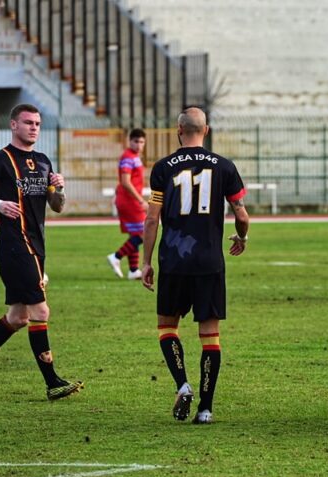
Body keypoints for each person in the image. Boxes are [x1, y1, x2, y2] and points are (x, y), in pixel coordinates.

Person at [0, 103, 83, 401]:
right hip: (14, 246)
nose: (34, 127)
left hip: (36, 246)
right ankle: (52, 383)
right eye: (28, 122)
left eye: (37, 123)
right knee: (41, 311)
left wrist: (59, 189)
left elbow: (58, 207)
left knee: (18, 316)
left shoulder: (43, 161)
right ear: (13, 125)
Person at [141, 107, 249, 424]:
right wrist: (242, 237)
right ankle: (205, 408)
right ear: (207, 129)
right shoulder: (225, 167)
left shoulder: (162, 168)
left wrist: (145, 262)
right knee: (210, 335)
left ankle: (183, 384)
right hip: (210, 261)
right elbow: (241, 215)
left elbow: (151, 219)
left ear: (179, 129)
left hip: (174, 260)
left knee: (166, 327)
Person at [107, 128, 148, 280]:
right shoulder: (128, 157)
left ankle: (133, 270)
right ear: (129, 141)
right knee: (144, 233)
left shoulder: (135, 157)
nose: (139, 145)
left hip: (128, 199)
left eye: (142, 142)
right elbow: (125, 181)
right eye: (136, 141)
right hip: (130, 201)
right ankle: (116, 256)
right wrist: (140, 200)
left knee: (135, 234)